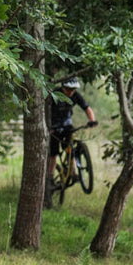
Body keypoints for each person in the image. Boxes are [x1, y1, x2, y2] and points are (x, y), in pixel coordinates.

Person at [45, 75, 96, 207]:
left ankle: (73, 170)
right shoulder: (54, 94)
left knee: (70, 145)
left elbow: (87, 108)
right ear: (63, 87)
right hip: (53, 127)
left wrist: (92, 120)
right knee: (53, 154)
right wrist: (48, 126)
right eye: (69, 90)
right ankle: (50, 177)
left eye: (73, 90)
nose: (71, 92)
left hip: (66, 125)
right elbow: (45, 111)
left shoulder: (75, 95)